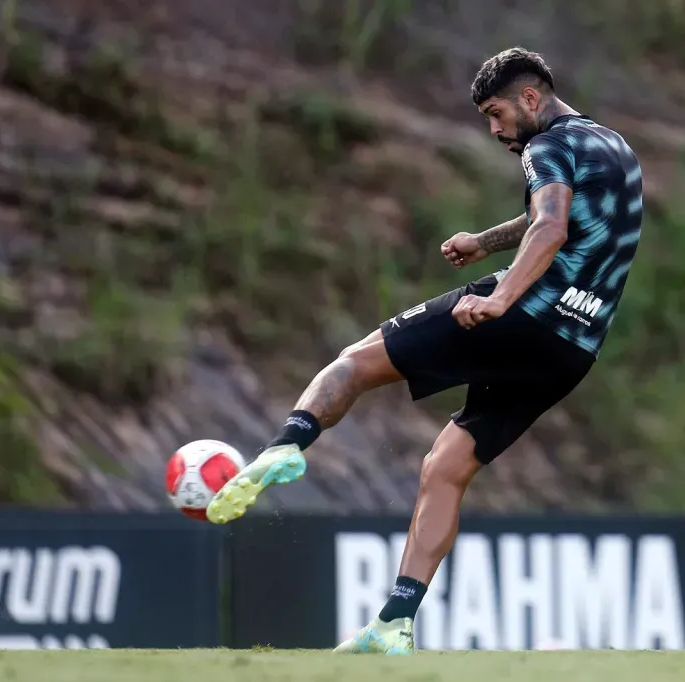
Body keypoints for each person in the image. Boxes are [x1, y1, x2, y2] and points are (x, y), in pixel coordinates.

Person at [205, 46, 645, 654]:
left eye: (497, 114)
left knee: (355, 361)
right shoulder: (613, 147)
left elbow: (550, 227)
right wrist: (484, 241)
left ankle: (287, 444)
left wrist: (498, 298)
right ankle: (395, 623)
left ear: (531, 99)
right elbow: (558, 216)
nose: (495, 130)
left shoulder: (545, 148)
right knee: (445, 467)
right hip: (573, 347)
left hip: (523, 314)